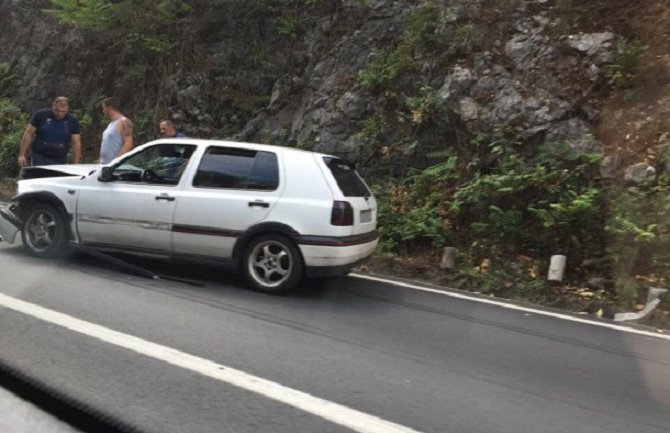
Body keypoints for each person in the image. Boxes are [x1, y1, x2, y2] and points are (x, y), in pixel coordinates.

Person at [17, 96, 82, 167]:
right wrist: (22, 155)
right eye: (57, 110)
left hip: (60, 158)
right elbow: (29, 134)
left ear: (67, 109)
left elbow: (76, 143)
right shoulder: (40, 115)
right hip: (39, 156)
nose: (60, 114)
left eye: (63, 112)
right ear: (53, 106)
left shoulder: (72, 121)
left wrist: (76, 163)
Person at [100, 97, 133, 164]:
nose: (103, 111)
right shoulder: (110, 124)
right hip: (105, 164)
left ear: (109, 108)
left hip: (115, 166)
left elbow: (128, 143)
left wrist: (116, 161)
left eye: (104, 108)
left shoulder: (123, 122)